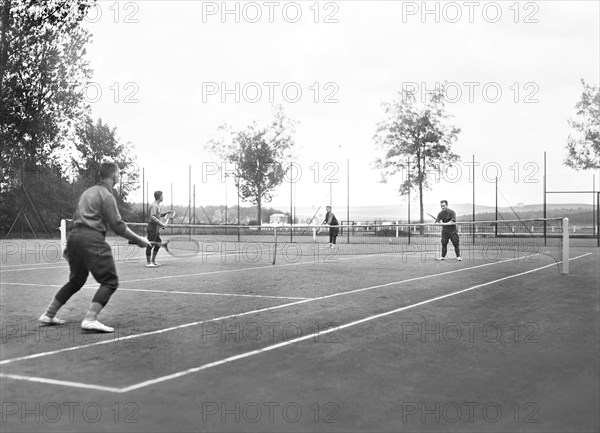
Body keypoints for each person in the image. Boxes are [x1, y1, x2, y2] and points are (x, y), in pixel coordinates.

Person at [38, 162, 150, 332]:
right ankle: (90, 319)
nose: (119, 176)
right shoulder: (107, 196)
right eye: (119, 173)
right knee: (110, 281)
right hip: (92, 239)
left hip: (74, 238)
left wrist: (70, 246)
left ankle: (48, 314)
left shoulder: (87, 193)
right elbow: (118, 226)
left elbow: (76, 218)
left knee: (76, 281)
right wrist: (140, 240)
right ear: (113, 175)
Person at [146, 190, 170, 268]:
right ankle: (148, 263)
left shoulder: (157, 205)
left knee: (158, 242)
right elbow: (152, 217)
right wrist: (162, 224)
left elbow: (158, 215)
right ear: (159, 197)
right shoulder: (154, 205)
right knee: (150, 244)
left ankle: (153, 261)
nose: (163, 197)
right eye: (162, 196)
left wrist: (166, 213)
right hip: (152, 227)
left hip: (155, 228)